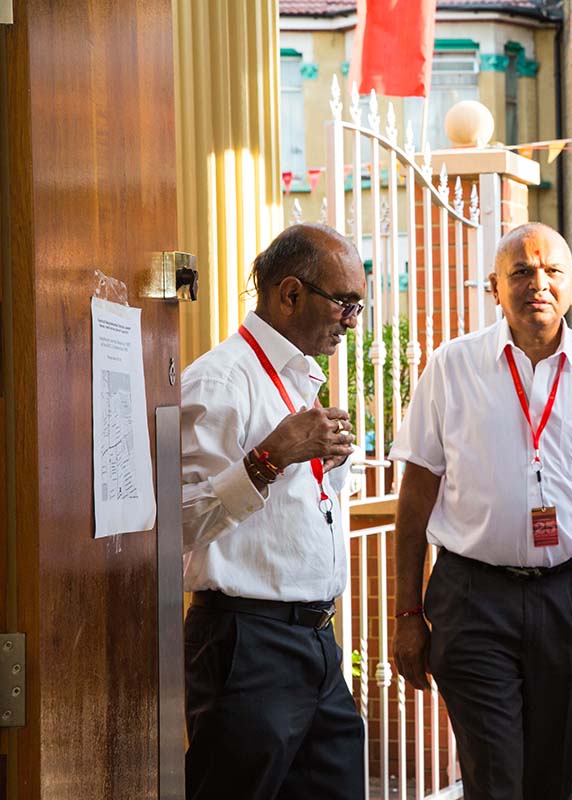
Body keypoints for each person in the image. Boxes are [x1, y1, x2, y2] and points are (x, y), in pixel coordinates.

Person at [389, 222, 572, 800]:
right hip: (473, 598)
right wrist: (407, 612)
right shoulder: (451, 368)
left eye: (551, 271)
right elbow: (416, 495)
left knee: (551, 776)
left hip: (570, 598)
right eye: (521, 272)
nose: (538, 284)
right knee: (494, 777)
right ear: (494, 288)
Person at [181, 223, 366, 800]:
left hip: (316, 644)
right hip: (247, 644)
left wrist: (327, 464)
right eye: (345, 303)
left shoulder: (297, 378)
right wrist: (268, 459)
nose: (352, 321)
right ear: (290, 294)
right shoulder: (218, 380)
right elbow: (178, 523)